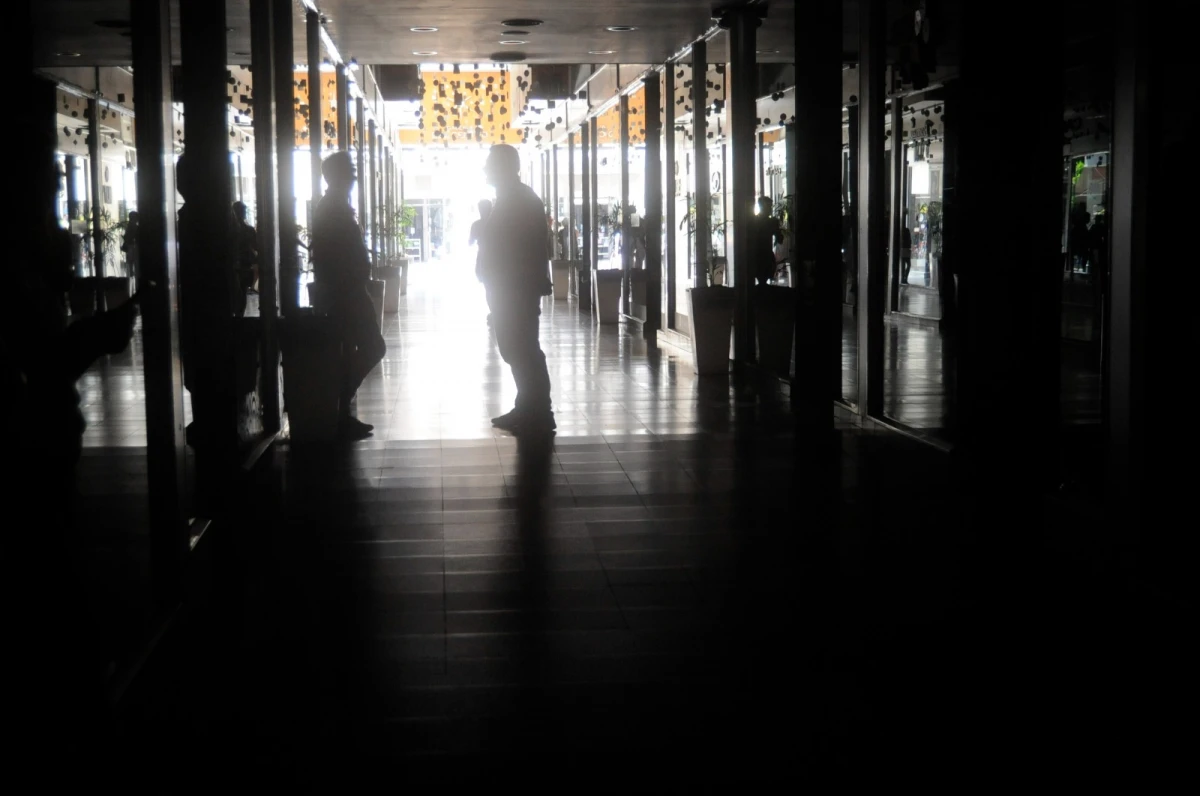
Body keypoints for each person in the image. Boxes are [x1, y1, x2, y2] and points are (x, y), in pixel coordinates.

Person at [478, 144, 555, 436]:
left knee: (521, 347)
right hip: (508, 288)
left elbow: (531, 246)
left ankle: (538, 410)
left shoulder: (520, 199)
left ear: (504, 167)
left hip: (516, 289)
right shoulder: (511, 198)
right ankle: (528, 406)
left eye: (489, 163)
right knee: (516, 347)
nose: (485, 169)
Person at [311, 151, 387, 440]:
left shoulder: (334, 206)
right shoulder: (333, 208)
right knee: (372, 347)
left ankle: (339, 410)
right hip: (346, 293)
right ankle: (337, 406)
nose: (354, 176)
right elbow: (335, 255)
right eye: (350, 170)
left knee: (356, 350)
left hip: (346, 290)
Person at [471, 199, 494, 327]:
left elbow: (470, 241)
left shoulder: (477, 225)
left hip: (483, 258)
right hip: (496, 258)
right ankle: (496, 311)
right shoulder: (498, 223)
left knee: (488, 287)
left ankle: (493, 311)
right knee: (495, 287)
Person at [232, 200, 258, 315]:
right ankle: (239, 317)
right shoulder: (249, 230)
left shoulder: (229, 230)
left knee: (237, 292)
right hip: (245, 264)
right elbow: (256, 246)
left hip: (234, 264)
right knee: (242, 292)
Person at [755, 196, 782, 284]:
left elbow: (780, 238)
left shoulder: (755, 221)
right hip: (763, 256)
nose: (770, 209)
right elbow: (780, 239)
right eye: (769, 206)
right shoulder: (771, 222)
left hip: (760, 256)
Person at [121, 210, 139, 282]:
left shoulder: (128, 226)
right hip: (133, 247)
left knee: (130, 264)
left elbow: (126, 237)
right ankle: (134, 280)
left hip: (130, 247)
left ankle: (131, 279)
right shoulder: (134, 226)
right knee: (135, 264)